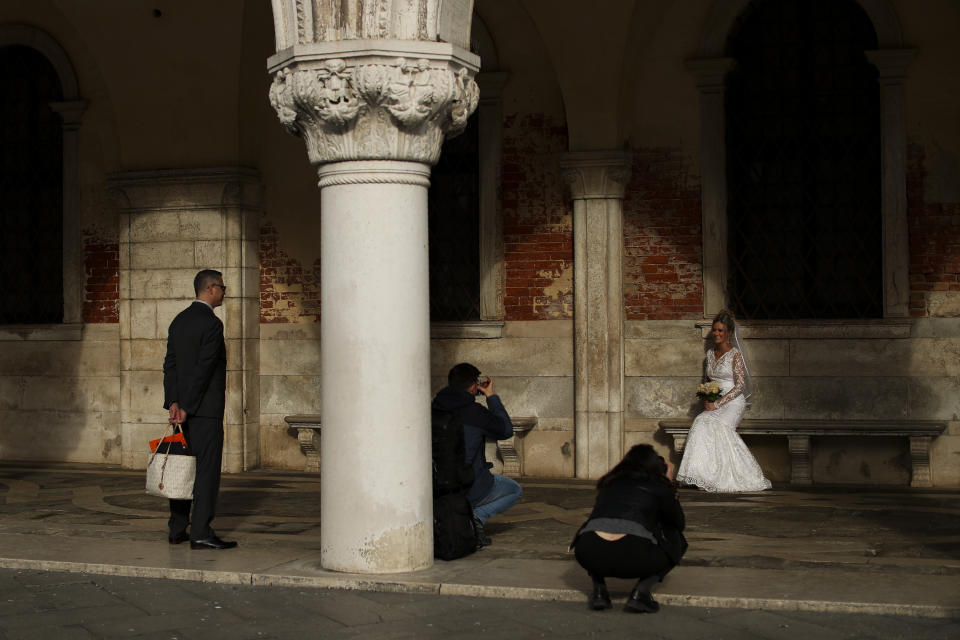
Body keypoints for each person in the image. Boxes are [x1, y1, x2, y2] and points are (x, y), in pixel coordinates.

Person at [162, 269, 237, 550]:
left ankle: (176, 529)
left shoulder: (179, 321)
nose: (224, 292)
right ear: (210, 289)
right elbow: (204, 370)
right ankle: (201, 532)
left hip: (181, 408)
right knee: (205, 472)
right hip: (204, 411)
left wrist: (174, 403)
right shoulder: (212, 324)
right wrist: (188, 407)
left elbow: (170, 365)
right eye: (223, 288)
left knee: (182, 467)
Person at [571, 444, 685, 613]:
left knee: (596, 531)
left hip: (587, 552)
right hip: (633, 557)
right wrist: (669, 486)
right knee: (677, 539)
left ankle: (600, 592)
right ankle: (641, 593)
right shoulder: (660, 487)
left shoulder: (608, 483)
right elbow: (678, 523)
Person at [675, 309, 771, 493]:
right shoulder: (710, 354)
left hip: (733, 402)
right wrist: (707, 396)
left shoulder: (735, 355)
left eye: (720, 331)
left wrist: (717, 404)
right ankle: (703, 475)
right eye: (715, 330)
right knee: (701, 421)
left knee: (714, 425)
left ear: (728, 333)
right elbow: (708, 381)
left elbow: (740, 385)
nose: (717, 334)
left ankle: (738, 475)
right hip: (714, 400)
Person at [431, 363, 523, 546]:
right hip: (468, 485)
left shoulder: (434, 409)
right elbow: (505, 430)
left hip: (436, 486)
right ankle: (476, 517)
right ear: (474, 386)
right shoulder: (474, 412)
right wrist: (491, 396)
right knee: (514, 489)